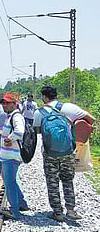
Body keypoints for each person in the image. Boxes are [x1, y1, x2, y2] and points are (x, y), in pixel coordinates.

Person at [33, 85, 95, 222]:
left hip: (50, 153)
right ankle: (71, 210)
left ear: (44, 97)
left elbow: (36, 131)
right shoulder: (69, 108)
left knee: (52, 182)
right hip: (68, 152)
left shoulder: (39, 112)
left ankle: (57, 212)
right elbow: (91, 120)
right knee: (67, 180)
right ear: (56, 95)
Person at [0, 93, 29, 220]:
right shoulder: (10, 116)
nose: (4, 105)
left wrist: (9, 138)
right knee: (10, 180)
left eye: (7, 103)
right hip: (8, 155)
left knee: (9, 182)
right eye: (3, 103)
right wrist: (1, 133)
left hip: (12, 156)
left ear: (14, 104)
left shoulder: (16, 116)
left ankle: (14, 211)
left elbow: (19, 131)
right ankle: (22, 204)